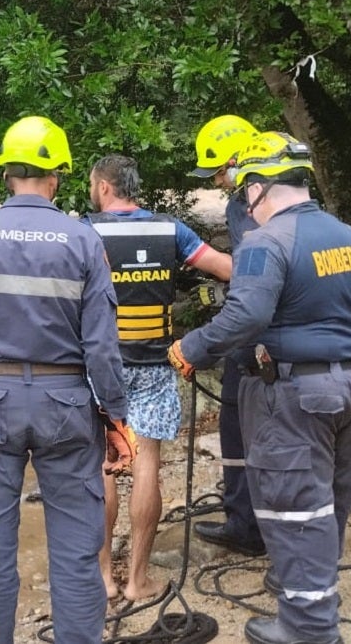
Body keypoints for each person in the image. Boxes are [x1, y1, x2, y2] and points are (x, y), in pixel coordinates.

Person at [0, 115, 137, 644]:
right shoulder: (82, 240)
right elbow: (101, 347)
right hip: (66, 405)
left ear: (6, 174)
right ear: (56, 176)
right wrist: (116, 417)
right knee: (77, 552)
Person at [168, 132, 351, 644]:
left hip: (295, 393)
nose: (246, 203)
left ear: (259, 187)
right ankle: (310, 591)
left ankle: (309, 627)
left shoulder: (264, 242)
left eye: (246, 191)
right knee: (328, 498)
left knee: (294, 507)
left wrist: (191, 348)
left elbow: (245, 316)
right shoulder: (346, 234)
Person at [85, 154, 232, 601]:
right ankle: (138, 580)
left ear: (104, 187)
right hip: (154, 363)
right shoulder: (171, 230)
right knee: (146, 461)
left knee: (104, 463)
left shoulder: (85, 231)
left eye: (92, 184)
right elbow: (228, 269)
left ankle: (103, 579)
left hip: (100, 366)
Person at [187, 113, 266, 556]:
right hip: (277, 331)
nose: (218, 181)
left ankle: (247, 526)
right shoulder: (292, 196)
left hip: (257, 335)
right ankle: (260, 516)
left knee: (238, 423)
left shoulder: (247, 205)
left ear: (237, 160)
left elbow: (257, 277)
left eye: (218, 171)